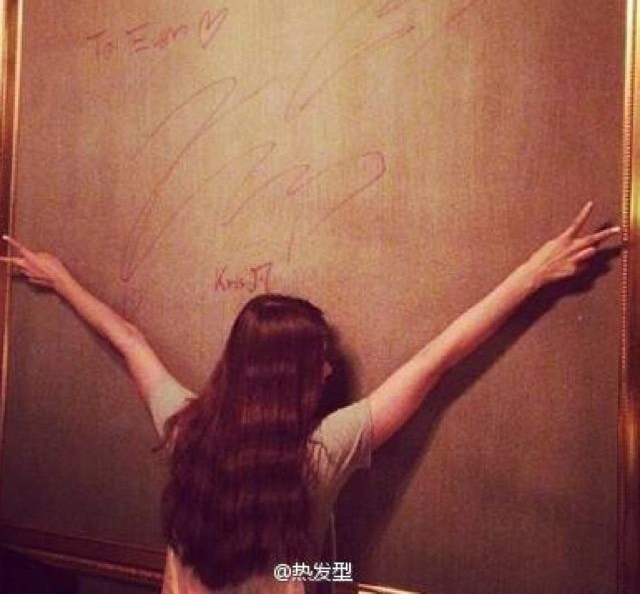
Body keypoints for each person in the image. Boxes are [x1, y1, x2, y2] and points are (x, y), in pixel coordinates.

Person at [0, 201, 621, 594]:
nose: (327, 370)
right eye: (318, 361)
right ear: (296, 378)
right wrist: (531, 275)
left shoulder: (185, 429)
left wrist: (59, 279)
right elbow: (439, 358)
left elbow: (129, 341)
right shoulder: (322, 451)